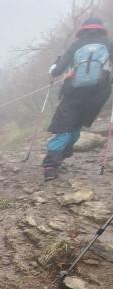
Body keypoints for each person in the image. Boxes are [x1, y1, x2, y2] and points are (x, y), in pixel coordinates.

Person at [43, 17, 112, 180]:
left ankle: (50, 165)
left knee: (64, 130)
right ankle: (63, 154)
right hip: (97, 97)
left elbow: (56, 71)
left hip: (72, 95)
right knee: (75, 129)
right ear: (101, 29)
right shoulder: (109, 43)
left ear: (83, 30)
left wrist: (54, 67)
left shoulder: (76, 45)